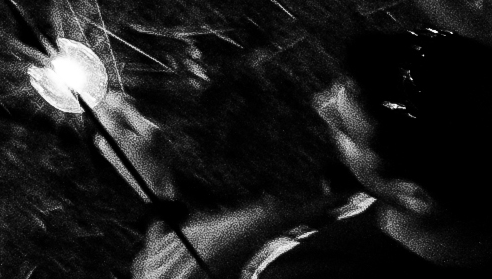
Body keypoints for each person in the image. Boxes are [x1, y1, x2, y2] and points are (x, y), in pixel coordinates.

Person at [104, 30, 492, 279]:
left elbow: (162, 272)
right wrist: (265, 218)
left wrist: (156, 196)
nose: (319, 104)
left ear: (415, 194)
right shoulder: (444, 207)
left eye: (345, 128)